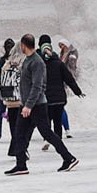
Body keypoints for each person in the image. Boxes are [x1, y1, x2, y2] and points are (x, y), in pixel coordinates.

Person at [10, 34, 77, 175]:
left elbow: (37, 86)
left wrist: (28, 105)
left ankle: (68, 158)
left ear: (23, 45)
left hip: (37, 105)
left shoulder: (37, 62)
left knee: (47, 133)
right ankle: (21, 164)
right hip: (27, 104)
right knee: (19, 133)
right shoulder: (28, 60)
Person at [38, 35, 84, 149]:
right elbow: (69, 78)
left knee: (47, 120)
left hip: (46, 98)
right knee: (57, 121)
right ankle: (58, 142)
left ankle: (47, 139)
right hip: (59, 98)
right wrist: (77, 91)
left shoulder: (39, 64)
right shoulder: (59, 63)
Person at [0, 38, 19, 142]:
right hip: (14, 89)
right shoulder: (17, 60)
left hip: (4, 88)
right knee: (15, 113)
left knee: (0, 111)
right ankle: (17, 133)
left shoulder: (2, 60)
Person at [58, 39, 80, 136]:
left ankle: (65, 130)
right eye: (60, 46)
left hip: (67, 77)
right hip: (61, 79)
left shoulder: (72, 52)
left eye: (62, 45)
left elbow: (72, 65)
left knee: (60, 107)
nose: (62, 47)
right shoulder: (61, 54)